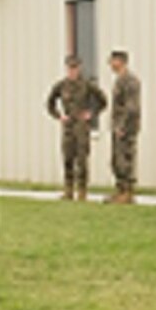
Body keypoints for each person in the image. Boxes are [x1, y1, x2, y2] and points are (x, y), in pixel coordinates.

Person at [46, 55, 108, 201]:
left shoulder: (86, 85)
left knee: (82, 159)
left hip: (81, 126)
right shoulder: (61, 86)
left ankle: (82, 191)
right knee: (68, 158)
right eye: (70, 68)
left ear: (79, 68)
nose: (72, 71)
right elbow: (50, 103)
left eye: (75, 68)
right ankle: (68, 190)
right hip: (68, 126)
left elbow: (103, 101)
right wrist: (59, 116)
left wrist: (91, 113)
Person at [106, 50, 141, 204]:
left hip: (126, 128)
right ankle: (120, 190)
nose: (111, 64)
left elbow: (131, 107)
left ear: (121, 61)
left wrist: (122, 126)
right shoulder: (120, 80)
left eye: (113, 61)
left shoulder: (129, 81)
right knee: (116, 160)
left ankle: (127, 193)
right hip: (119, 126)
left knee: (125, 159)